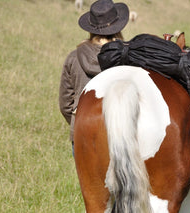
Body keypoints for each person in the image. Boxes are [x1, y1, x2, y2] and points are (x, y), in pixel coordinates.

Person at [59, 0, 129, 156]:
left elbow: (65, 104)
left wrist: (79, 123)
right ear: (117, 28)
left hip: (81, 132)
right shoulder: (126, 59)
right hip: (119, 134)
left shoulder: (73, 57)